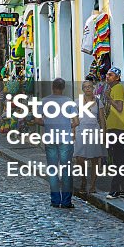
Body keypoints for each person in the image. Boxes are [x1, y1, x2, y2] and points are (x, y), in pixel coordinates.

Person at [36, 78, 77, 209]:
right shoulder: (69, 101)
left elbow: (38, 120)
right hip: (65, 139)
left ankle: (55, 200)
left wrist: (48, 123)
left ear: (52, 87)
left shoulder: (44, 101)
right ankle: (66, 202)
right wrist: (66, 125)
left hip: (50, 138)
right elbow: (76, 122)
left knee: (53, 170)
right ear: (63, 88)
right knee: (66, 170)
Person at [102, 67, 124, 200]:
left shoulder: (118, 88)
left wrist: (108, 98)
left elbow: (119, 107)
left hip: (117, 128)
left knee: (117, 160)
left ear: (118, 77)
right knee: (121, 160)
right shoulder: (113, 89)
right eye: (107, 74)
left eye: (111, 75)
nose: (107, 76)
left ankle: (114, 190)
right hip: (114, 128)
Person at [73, 81, 108, 194]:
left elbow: (102, 119)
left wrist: (103, 133)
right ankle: (83, 180)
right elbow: (74, 119)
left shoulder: (98, 102)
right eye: (85, 87)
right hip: (81, 130)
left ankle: (93, 184)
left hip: (94, 131)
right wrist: (73, 133)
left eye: (89, 87)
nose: (88, 89)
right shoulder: (77, 102)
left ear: (93, 88)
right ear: (82, 89)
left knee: (95, 159)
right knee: (80, 158)